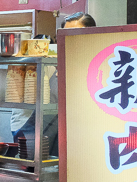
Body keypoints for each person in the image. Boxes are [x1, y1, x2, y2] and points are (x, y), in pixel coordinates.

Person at [9, 13, 95, 158]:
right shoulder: (52, 63)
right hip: (47, 142)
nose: (69, 40)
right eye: (64, 36)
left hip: (82, 145)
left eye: (75, 35)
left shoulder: (99, 67)